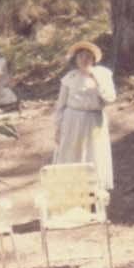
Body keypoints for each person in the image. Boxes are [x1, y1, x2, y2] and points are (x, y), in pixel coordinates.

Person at [52, 40, 117, 191]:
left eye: (88, 56)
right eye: (81, 56)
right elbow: (61, 105)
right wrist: (58, 126)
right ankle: (71, 188)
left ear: (93, 59)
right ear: (76, 59)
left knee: (93, 153)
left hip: (93, 120)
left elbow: (110, 98)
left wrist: (96, 80)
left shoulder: (103, 74)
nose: (84, 59)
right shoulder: (70, 78)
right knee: (71, 152)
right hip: (72, 120)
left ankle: (93, 189)